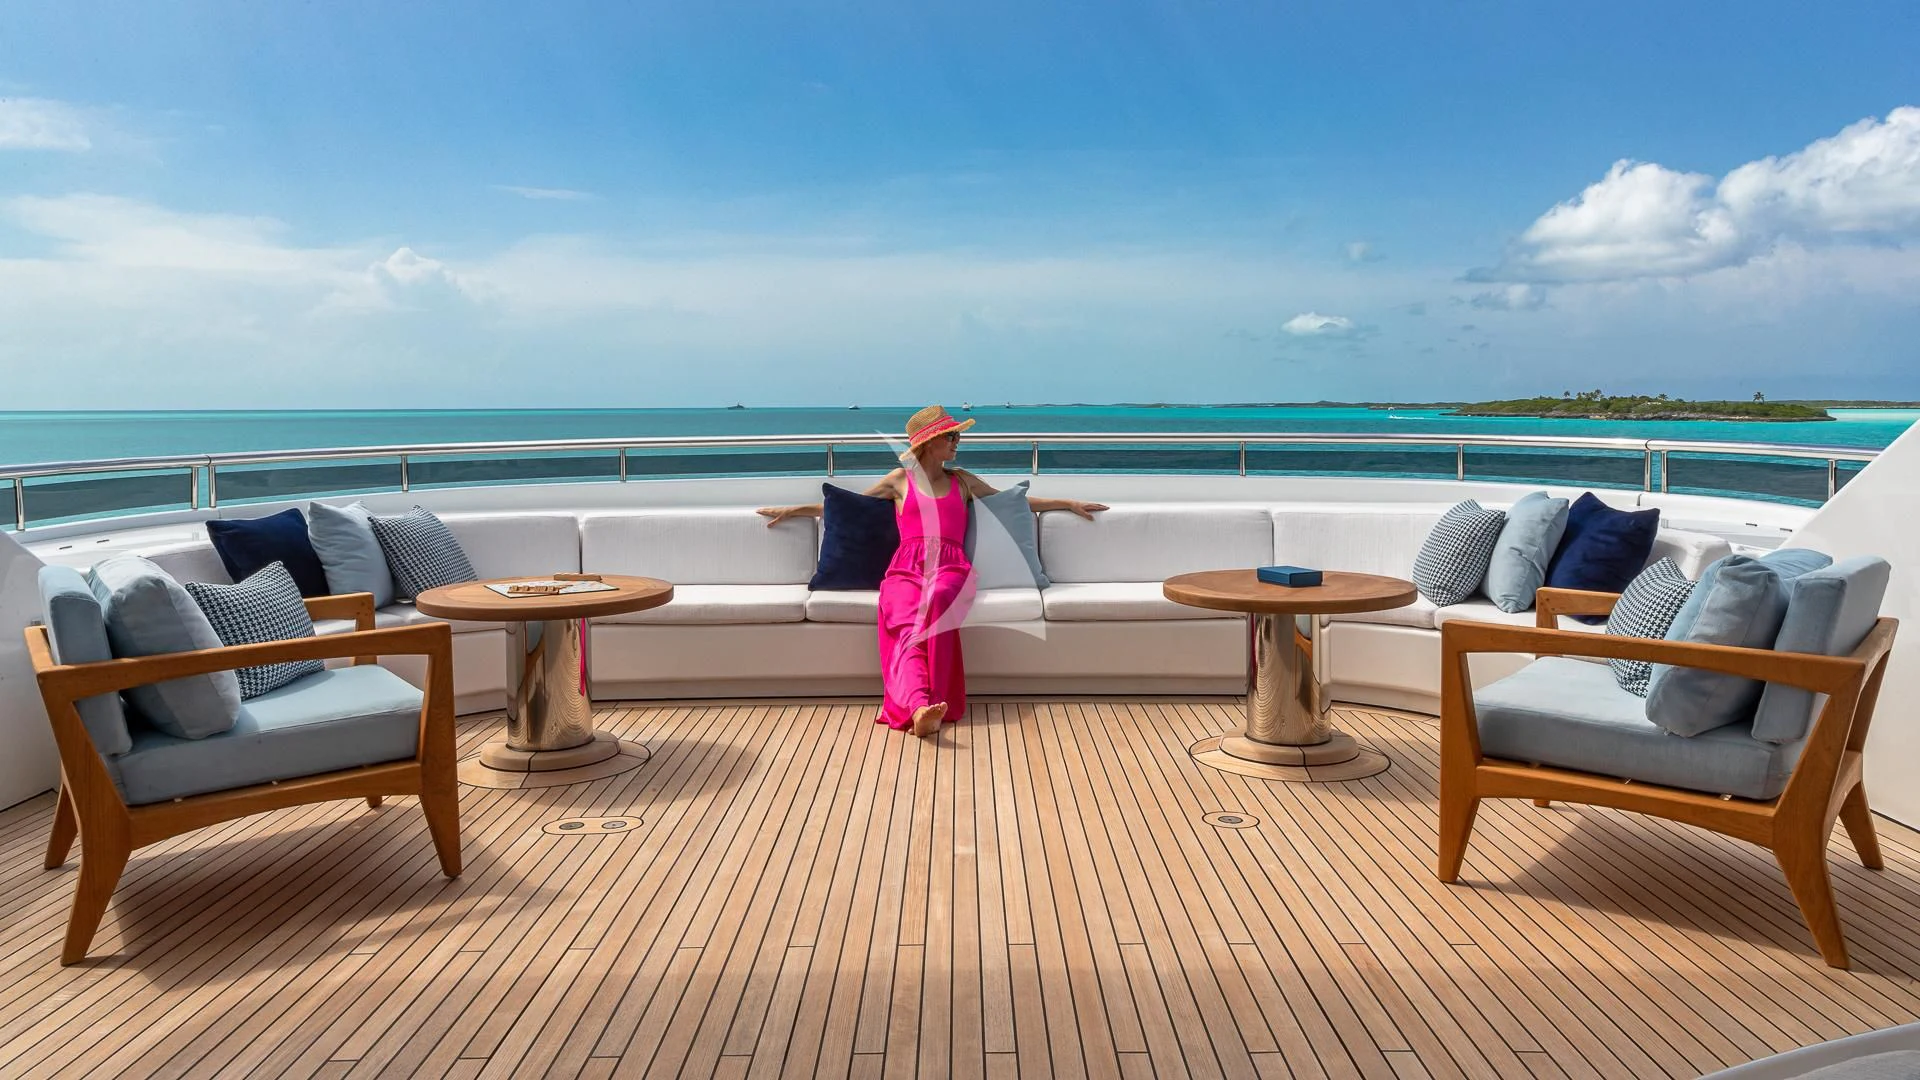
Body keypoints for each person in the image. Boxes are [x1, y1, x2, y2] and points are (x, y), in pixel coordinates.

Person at [758, 405, 1107, 737]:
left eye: (957, 436)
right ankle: (921, 708)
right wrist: (796, 510)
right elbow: (847, 509)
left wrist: (1067, 503)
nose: (958, 442)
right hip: (905, 568)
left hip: (952, 567)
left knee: (939, 599)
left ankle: (933, 701)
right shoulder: (899, 481)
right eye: (951, 436)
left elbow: (1011, 501)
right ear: (928, 442)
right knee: (907, 626)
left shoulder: (963, 481)